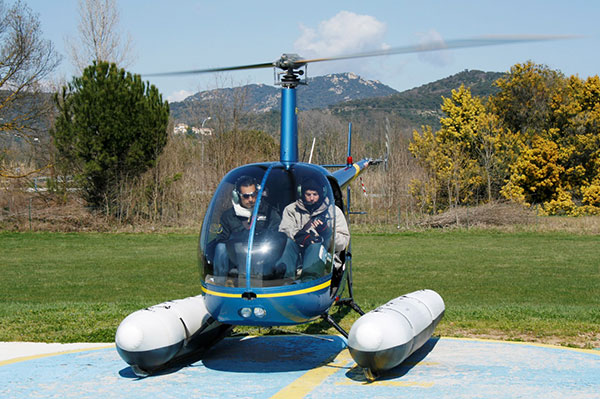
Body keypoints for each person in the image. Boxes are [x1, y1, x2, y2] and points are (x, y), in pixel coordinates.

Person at [278, 178, 350, 280]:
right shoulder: (291, 210)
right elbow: (283, 231)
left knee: (315, 246)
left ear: (321, 194)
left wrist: (326, 232)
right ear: (302, 194)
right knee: (289, 243)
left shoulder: (334, 212)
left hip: (326, 260)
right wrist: (301, 236)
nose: (311, 198)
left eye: (315, 194)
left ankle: (309, 281)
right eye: (308, 194)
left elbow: (342, 244)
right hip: (298, 257)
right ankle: (285, 281)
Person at [212, 176, 280, 279]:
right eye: (246, 196)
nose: (251, 199)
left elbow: (276, 236)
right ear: (237, 196)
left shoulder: (270, 213)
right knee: (220, 247)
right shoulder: (228, 216)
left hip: (263, 258)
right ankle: (220, 285)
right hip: (236, 259)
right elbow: (222, 239)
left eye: (253, 195)